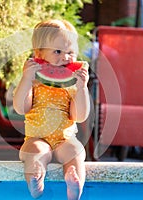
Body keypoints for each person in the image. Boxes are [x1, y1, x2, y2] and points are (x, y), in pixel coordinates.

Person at [13, 19, 90, 200]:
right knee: (36, 152)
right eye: (57, 51)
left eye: (70, 52)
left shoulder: (72, 84)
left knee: (77, 151)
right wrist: (26, 80)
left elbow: (79, 116)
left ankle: (74, 186)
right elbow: (20, 107)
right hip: (36, 138)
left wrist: (82, 89)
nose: (66, 57)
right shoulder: (33, 81)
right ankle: (36, 181)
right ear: (39, 53)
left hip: (65, 139)